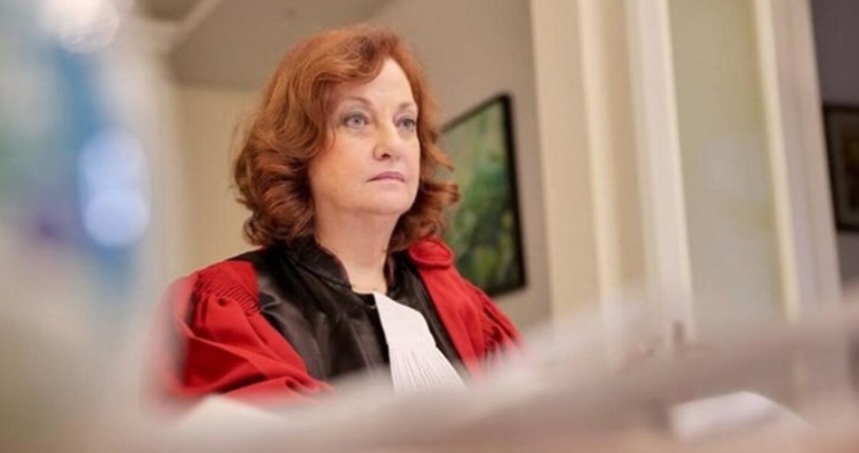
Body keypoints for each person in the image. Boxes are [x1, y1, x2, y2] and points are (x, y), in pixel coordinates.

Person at [161, 24, 520, 403]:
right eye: (356, 119)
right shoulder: (230, 308)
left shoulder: (468, 311)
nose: (392, 145)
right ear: (299, 147)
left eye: (405, 123)